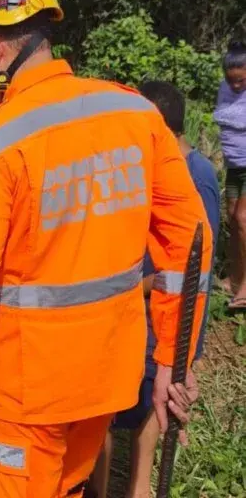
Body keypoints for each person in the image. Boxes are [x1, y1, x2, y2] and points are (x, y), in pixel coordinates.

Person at [0, 0, 213, 497]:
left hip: (25, 395)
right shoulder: (136, 114)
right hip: (106, 381)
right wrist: (170, 363)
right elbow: (191, 243)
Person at [90, 81, 220, 498]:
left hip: (161, 316)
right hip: (136, 309)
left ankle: (137, 488)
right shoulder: (145, 168)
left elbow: (193, 269)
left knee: (148, 402)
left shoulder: (194, 178)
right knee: (110, 408)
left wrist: (187, 352)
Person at [215, 41, 246, 310]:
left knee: (242, 219)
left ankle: (245, 286)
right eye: (231, 81)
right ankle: (234, 278)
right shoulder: (225, 89)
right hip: (234, 164)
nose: (235, 86)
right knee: (232, 222)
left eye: (241, 81)